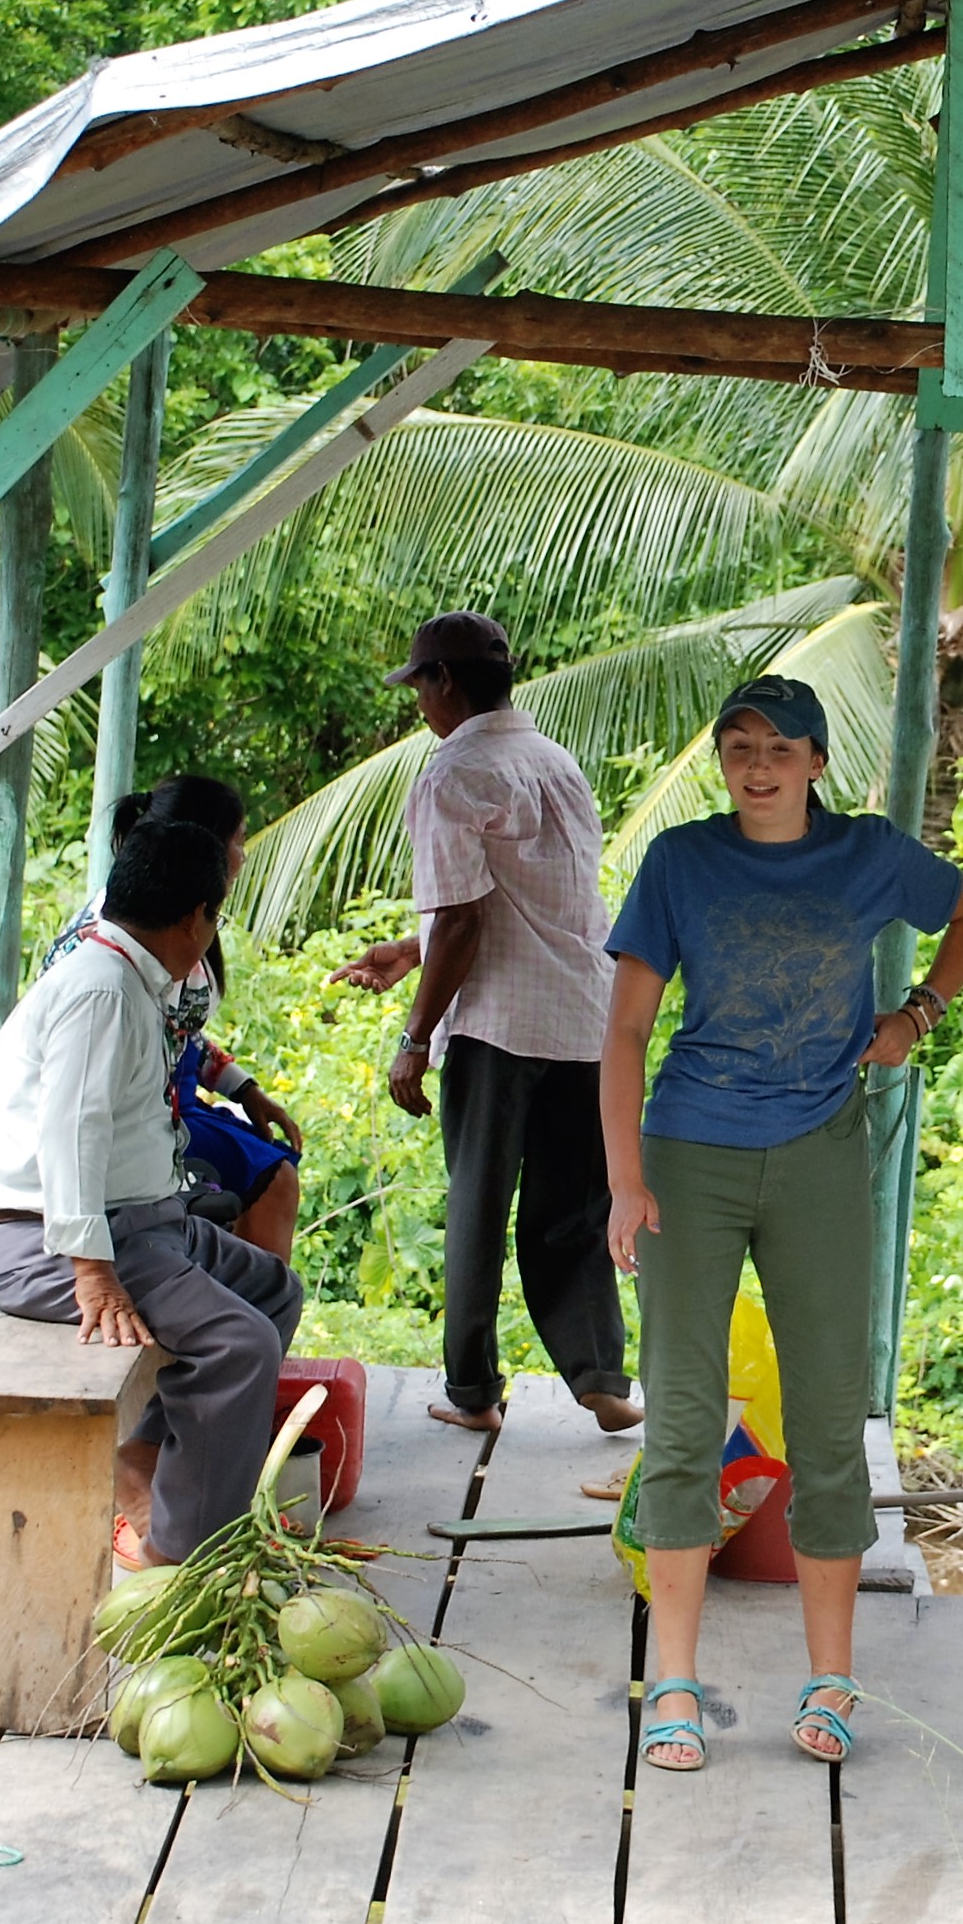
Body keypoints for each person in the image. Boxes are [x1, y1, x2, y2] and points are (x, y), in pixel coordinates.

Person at [600, 675, 963, 1774]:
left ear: (818, 761)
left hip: (822, 1151)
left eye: (780, 747)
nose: (758, 765)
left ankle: (830, 1677)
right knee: (683, 1419)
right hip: (689, 1154)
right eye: (738, 747)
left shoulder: (867, 853)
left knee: (827, 1420)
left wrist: (917, 1011)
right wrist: (625, 1181)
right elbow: (625, 1030)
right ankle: (673, 1681)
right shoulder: (679, 860)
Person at [0, 817, 307, 1570]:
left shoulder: (127, 972)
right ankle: (184, 1559)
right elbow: (71, 1131)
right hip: (55, 1245)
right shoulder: (100, 990)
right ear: (194, 919)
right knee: (240, 1345)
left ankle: (150, 1459)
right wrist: (92, 1271)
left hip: (142, 1225)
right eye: (214, 918)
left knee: (273, 1292)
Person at [335, 612, 637, 1437]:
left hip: (497, 1025)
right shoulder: (555, 761)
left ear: (443, 682)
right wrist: (412, 949)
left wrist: (414, 1038)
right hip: (583, 1014)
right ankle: (600, 1375)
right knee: (572, 1210)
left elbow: (466, 919)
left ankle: (472, 1391)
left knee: (477, 1206)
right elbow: (521, 901)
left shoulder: (453, 773)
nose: (419, 705)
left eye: (419, 686)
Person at [42, 776, 305, 1263]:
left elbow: (179, 1033)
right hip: (138, 1116)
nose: (244, 856)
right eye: (239, 840)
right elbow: (80, 1110)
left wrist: (243, 1089)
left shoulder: (174, 917)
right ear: (201, 845)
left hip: (167, 1099)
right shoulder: (110, 951)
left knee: (270, 1168)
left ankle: (251, 1294)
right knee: (274, 1180)